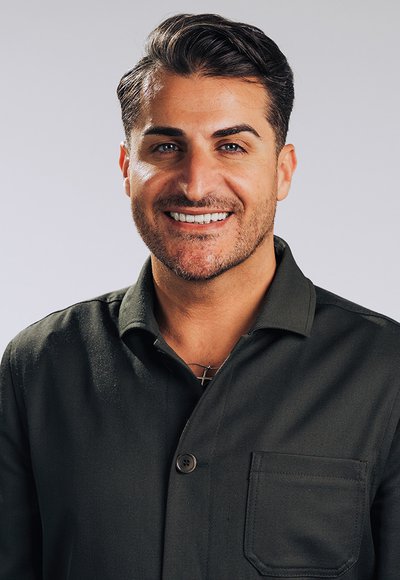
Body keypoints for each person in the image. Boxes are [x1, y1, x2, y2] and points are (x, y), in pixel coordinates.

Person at [1, 12, 399, 580]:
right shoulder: (37, 368)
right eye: (166, 146)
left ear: (283, 171)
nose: (195, 184)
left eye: (231, 146)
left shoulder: (386, 373)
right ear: (126, 168)